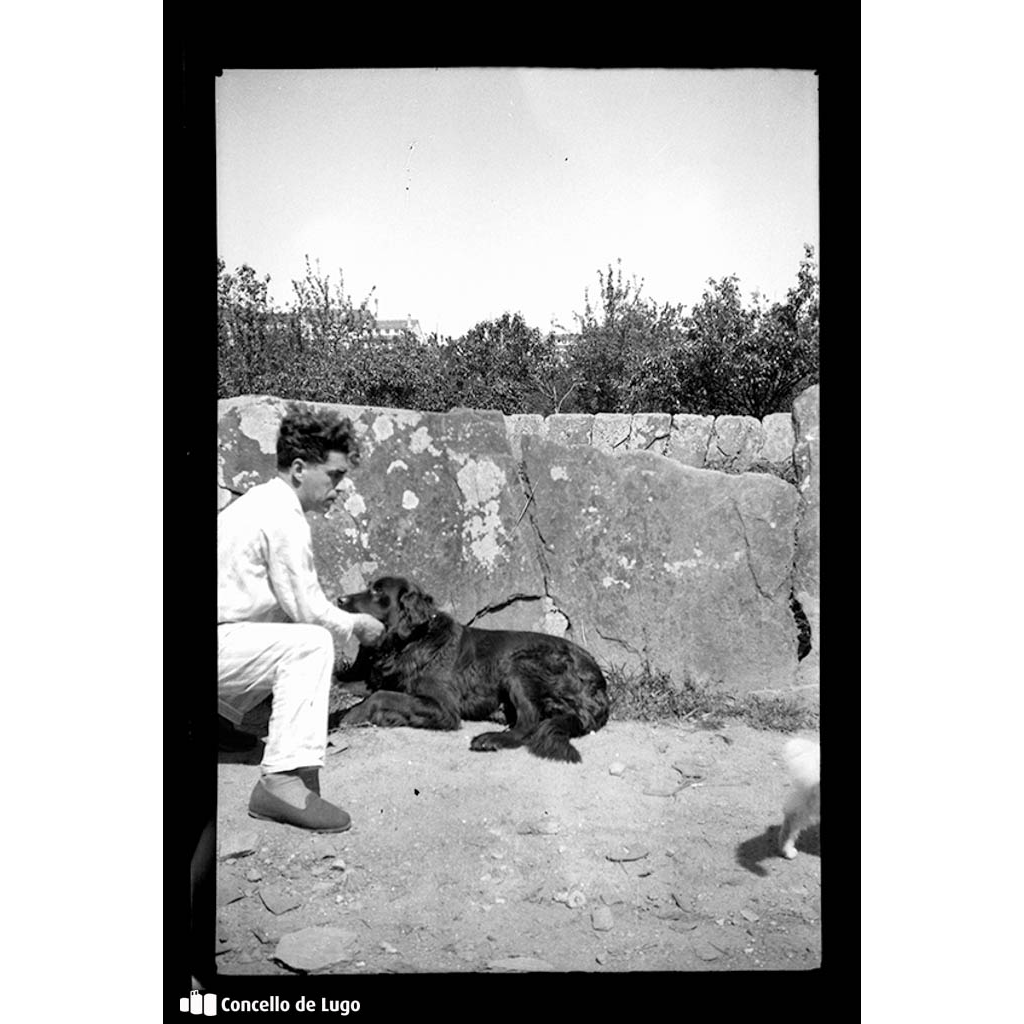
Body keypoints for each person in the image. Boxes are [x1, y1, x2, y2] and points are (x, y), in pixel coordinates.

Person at [218, 406, 385, 832]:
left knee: (285, 630)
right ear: (298, 468)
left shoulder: (260, 500)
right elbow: (308, 609)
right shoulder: (283, 514)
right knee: (311, 642)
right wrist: (358, 626)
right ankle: (283, 781)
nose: (340, 488)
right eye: (333, 476)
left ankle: (216, 726)